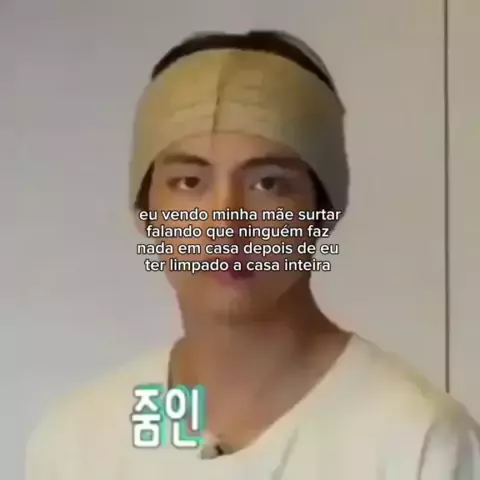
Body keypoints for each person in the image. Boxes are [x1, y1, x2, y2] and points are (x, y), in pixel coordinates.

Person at [26, 30, 480, 479]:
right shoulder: (80, 444)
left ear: (322, 209)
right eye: (189, 182)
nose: (227, 222)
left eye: (269, 183)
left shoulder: (420, 445)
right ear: (146, 211)